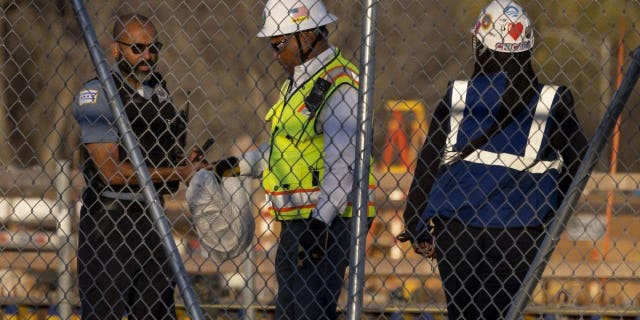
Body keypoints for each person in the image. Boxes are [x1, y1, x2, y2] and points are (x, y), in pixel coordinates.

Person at [398, 1, 588, 319]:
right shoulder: (550, 102)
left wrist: (415, 221)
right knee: (505, 312)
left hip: (457, 231)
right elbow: (579, 157)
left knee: (464, 313)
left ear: (481, 47)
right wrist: (555, 208)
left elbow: (429, 160)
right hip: (521, 230)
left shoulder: (458, 95)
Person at [229, 0, 376, 318]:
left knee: (309, 310)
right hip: (300, 219)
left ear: (307, 36)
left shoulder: (340, 84)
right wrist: (233, 168)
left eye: (278, 44)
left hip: (330, 219)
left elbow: (344, 162)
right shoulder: (298, 84)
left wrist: (321, 222)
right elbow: (281, 151)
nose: (274, 54)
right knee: (289, 310)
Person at [72, 14, 209, 320]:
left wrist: (185, 165)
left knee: (157, 311)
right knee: (104, 312)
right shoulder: (98, 94)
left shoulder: (158, 91)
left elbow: (160, 159)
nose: (147, 56)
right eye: (137, 48)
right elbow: (111, 172)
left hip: (153, 219)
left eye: (153, 48)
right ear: (116, 49)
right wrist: (178, 173)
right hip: (110, 224)